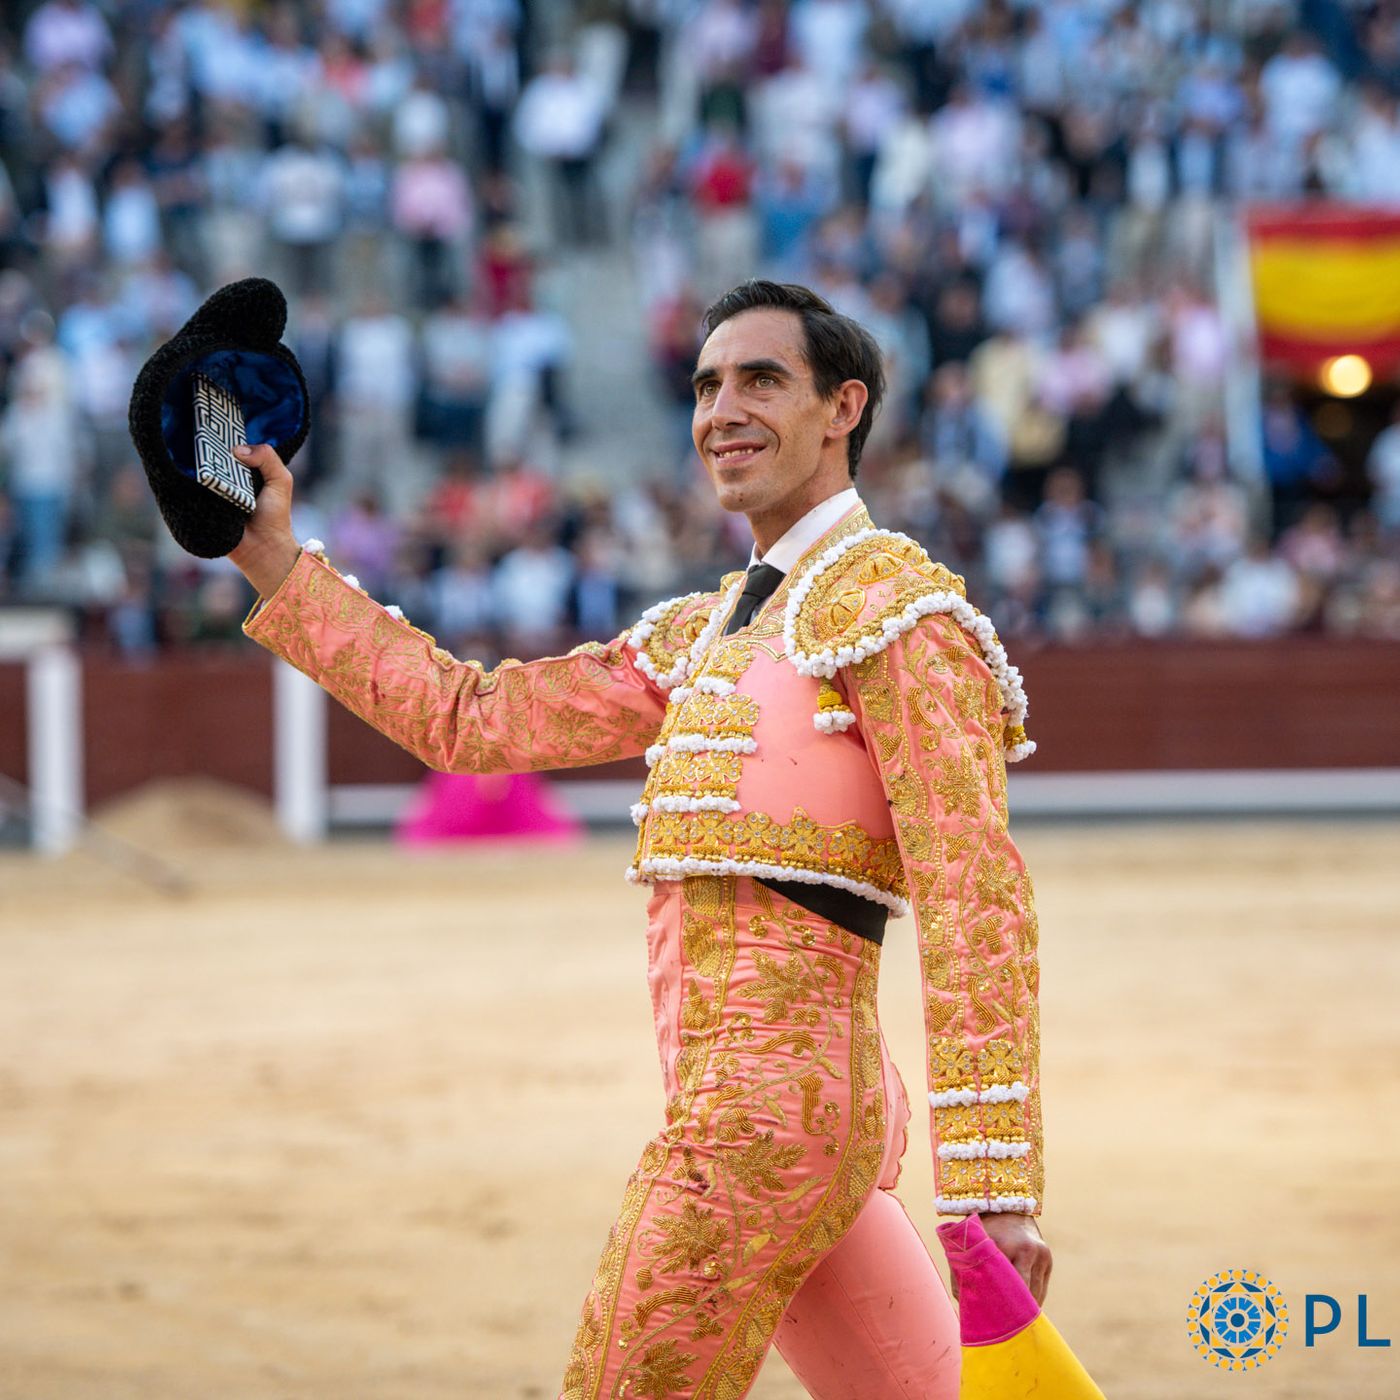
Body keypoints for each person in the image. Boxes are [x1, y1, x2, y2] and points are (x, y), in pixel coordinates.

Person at [227, 280, 1050, 1399]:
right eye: (706, 386)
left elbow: (972, 893)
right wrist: (277, 564)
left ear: (842, 407)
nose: (722, 411)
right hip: (784, 1125)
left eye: (762, 380)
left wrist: (994, 1186)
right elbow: (471, 720)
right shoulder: (702, 632)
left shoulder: (898, 616)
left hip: (757, 1132)